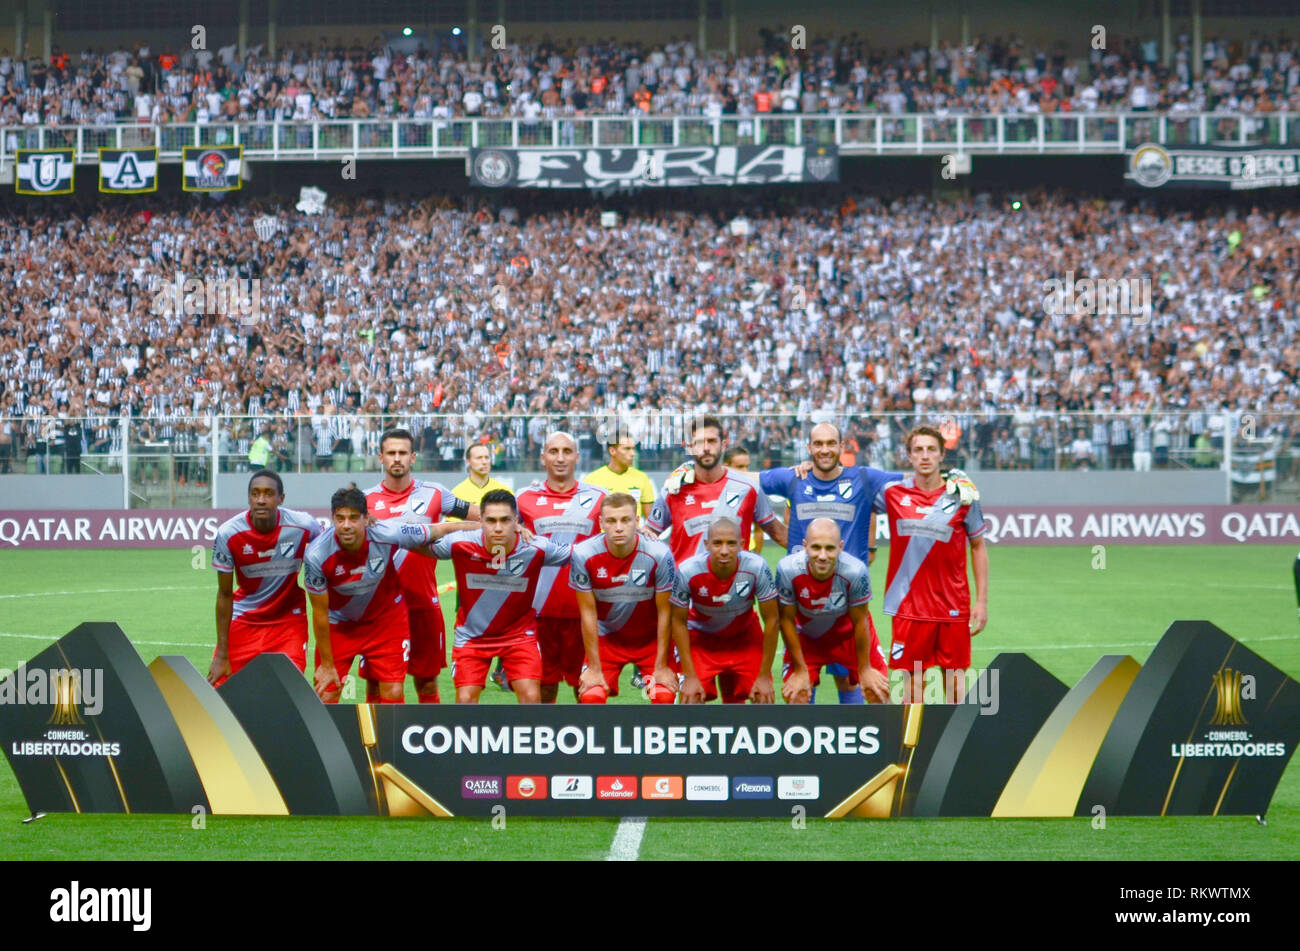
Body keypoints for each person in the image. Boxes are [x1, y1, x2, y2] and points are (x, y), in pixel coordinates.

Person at [304, 487, 470, 703]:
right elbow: (319, 612)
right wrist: (326, 665)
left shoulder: (388, 532)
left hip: (386, 622)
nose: (346, 525)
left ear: (366, 518)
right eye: (340, 518)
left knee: (392, 692)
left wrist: (484, 526)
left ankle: (386, 738)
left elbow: (440, 529)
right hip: (340, 625)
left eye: (354, 518)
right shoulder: (317, 554)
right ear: (332, 518)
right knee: (327, 693)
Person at [871, 426, 990, 704]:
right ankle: (912, 747)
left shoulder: (963, 495)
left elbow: (978, 546)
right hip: (909, 608)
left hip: (953, 607)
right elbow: (858, 504)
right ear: (909, 457)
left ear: (941, 455)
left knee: (956, 689)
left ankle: (952, 746)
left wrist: (981, 601)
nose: (925, 456)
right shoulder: (892, 493)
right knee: (912, 690)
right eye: (918, 450)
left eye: (931, 450)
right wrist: (869, 547)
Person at [362, 428, 478, 704]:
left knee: (426, 683)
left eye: (403, 453)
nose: (397, 458)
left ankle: (430, 743)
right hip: (379, 610)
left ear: (413, 457)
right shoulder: (365, 500)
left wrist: (511, 526)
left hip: (423, 605)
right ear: (381, 457)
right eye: (391, 453)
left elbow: (481, 518)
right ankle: (373, 746)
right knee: (377, 686)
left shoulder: (436, 494)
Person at [431, 489, 572, 704]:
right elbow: (412, 541)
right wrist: (453, 526)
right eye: (491, 521)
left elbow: (581, 553)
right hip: (472, 636)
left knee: (532, 697)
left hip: (519, 636)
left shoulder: (535, 547)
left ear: (516, 521)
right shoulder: (459, 543)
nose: (498, 528)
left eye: (505, 520)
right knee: (465, 702)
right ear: (481, 521)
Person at [208, 469, 325, 686]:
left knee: (289, 688)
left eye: (269, 494)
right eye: (255, 493)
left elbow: (332, 543)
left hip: (288, 620)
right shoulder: (228, 533)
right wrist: (221, 655)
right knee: (220, 687)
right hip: (246, 619)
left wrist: (367, 523)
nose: (261, 500)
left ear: (281, 498)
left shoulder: (303, 524)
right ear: (249, 497)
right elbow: (224, 594)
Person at [516, 432, 607, 703]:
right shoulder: (523, 498)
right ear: (543, 457)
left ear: (577, 457)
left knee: (587, 688)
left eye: (567, 451)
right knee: (545, 689)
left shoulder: (600, 497)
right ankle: (546, 742)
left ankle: (587, 743)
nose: (560, 457)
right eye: (553, 451)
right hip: (537, 612)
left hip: (585, 612)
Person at [569, 492, 678, 704]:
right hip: (606, 639)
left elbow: (667, 611)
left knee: (664, 696)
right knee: (592, 696)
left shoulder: (659, 554)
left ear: (637, 521)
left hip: (650, 640)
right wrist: (593, 667)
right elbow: (588, 612)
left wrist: (662, 665)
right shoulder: (583, 554)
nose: (618, 528)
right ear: (601, 522)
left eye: (626, 520)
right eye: (611, 521)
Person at [669, 516, 782, 704]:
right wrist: (689, 676)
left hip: (744, 638)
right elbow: (678, 622)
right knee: (691, 697)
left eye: (731, 544)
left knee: (763, 696)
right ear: (706, 544)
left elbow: (772, 620)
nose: (724, 551)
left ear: (742, 544)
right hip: (702, 639)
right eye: (717, 543)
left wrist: (763, 677)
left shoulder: (756, 567)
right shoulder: (688, 570)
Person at [775, 518, 889, 705]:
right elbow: (786, 620)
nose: (822, 555)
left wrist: (865, 668)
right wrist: (801, 670)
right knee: (797, 695)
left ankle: (865, 733)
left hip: (848, 636)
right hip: (807, 639)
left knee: (878, 691)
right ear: (805, 546)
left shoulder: (855, 571)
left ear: (840, 547)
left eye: (829, 548)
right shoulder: (788, 570)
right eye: (816, 547)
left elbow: (860, 622)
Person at [648, 414, 787, 566]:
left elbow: (779, 534)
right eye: (699, 442)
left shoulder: (748, 488)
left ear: (723, 444)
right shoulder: (673, 489)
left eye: (712, 441)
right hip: (685, 587)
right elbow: (648, 536)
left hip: (734, 587)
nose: (706, 448)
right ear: (690, 447)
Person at [583, 426, 657, 519]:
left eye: (633, 449)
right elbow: (586, 517)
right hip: (604, 533)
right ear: (612, 450)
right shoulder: (592, 480)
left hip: (633, 533)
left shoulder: (642, 478)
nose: (632, 453)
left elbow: (651, 521)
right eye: (627, 449)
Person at [451, 442, 510, 515]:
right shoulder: (457, 494)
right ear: (468, 462)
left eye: (487, 457)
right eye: (479, 458)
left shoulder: (504, 491)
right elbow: (454, 524)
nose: (484, 462)